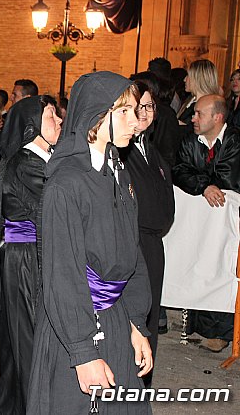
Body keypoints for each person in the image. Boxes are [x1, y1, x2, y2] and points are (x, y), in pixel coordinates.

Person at [27, 71, 152, 414]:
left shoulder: (118, 173)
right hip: (78, 326)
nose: (135, 121)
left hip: (116, 318)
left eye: (135, 111)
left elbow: (131, 254)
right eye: (124, 112)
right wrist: (83, 353)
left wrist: (137, 324)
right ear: (96, 118)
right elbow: (62, 274)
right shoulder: (65, 185)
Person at [0, 95, 62, 415]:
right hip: (24, 261)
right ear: (32, 126)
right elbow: (57, 208)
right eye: (51, 116)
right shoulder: (26, 163)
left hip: (34, 257)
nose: (59, 120)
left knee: (30, 339)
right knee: (27, 340)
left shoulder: (44, 159)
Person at [172, 94, 240, 352]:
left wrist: (204, 181)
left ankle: (223, 332)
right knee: (201, 264)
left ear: (218, 117)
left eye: (199, 113)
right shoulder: (190, 140)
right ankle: (201, 327)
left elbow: (228, 178)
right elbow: (179, 170)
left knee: (224, 267)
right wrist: (204, 186)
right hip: (202, 221)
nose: (193, 118)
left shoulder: (235, 141)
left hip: (229, 221)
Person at [119, 79, 175, 385]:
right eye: (137, 106)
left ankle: (141, 384)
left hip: (153, 245)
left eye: (150, 106)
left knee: (150, 315)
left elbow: (165, 205)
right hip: (130, 241)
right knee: (128, 314)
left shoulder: (155, 154)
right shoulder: (120, 152)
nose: (144, 112)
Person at [176, 60, 220, 131]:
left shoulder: (209, 107)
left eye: (188, 76)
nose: (184, 80)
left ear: (198, 79)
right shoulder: (190, 100)